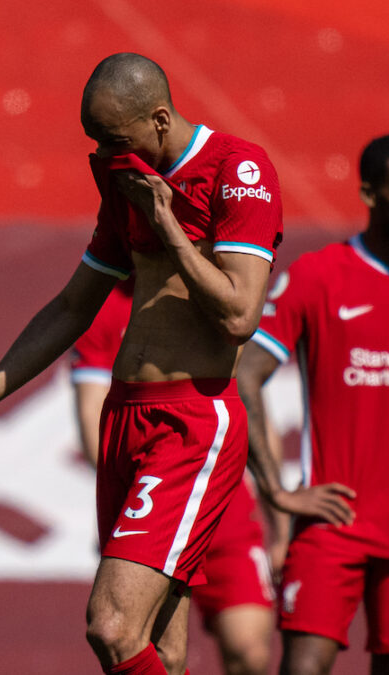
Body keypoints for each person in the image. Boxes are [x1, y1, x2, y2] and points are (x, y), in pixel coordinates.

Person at [0, 52, 284, 675]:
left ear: (159, 119)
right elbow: (72, 307)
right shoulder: (128, 180)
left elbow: (241, 316)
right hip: (125, 419)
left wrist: (167, 226)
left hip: (192, 424)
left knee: (111, 626)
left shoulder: (237, 169)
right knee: (157, 648)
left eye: (116, 139)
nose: (108, 154)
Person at [237, 134, 389, 675]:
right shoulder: (318, 275)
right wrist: (277, 490)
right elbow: (244, 374)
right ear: (369, 191)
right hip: (334, 520)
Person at [69, 277, 276, 675]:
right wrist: (151, 489)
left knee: (250, 652)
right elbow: (90, 418)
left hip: (224, 506)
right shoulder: (105, 304)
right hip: (151, 501)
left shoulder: (219, 289)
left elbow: (252, 407)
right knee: (148, 649)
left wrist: (277, 513)